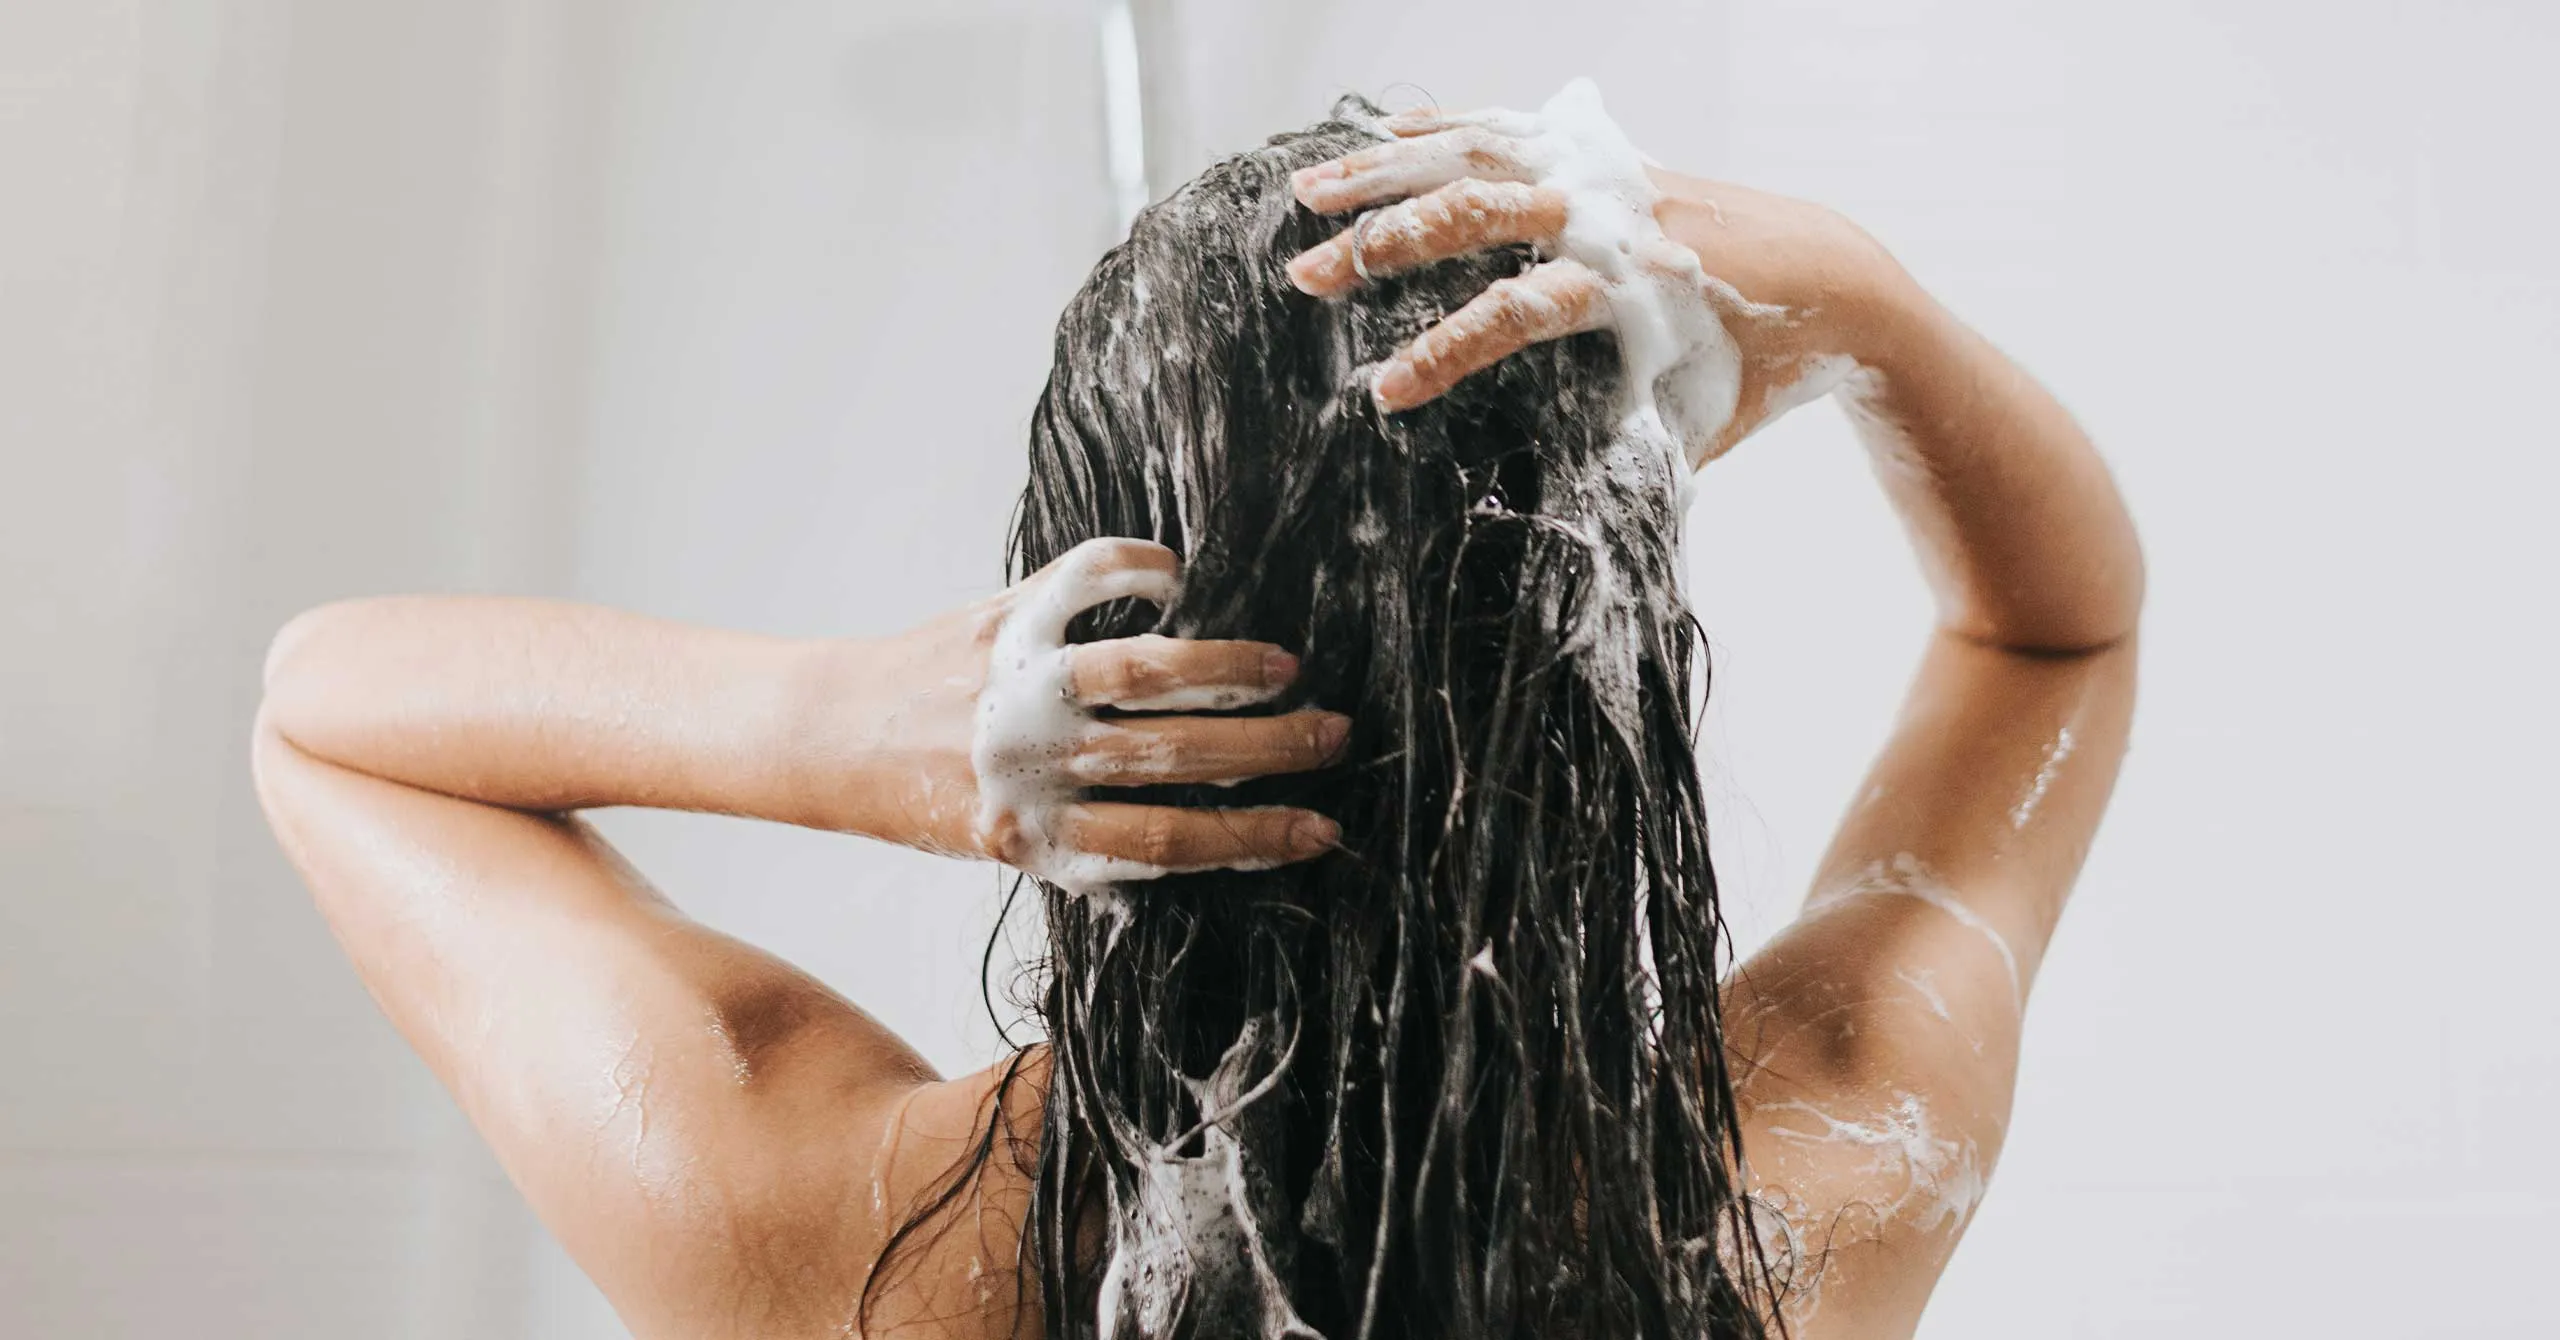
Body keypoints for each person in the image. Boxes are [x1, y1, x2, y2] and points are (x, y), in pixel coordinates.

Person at [255, 87, 2139, 1340]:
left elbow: (327, 720)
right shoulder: (1810, 1188)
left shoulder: (845, 1240)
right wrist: (1874, 308)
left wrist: (832, 728)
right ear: (1591, 694)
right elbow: (2053, 644)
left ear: (1072, 646)